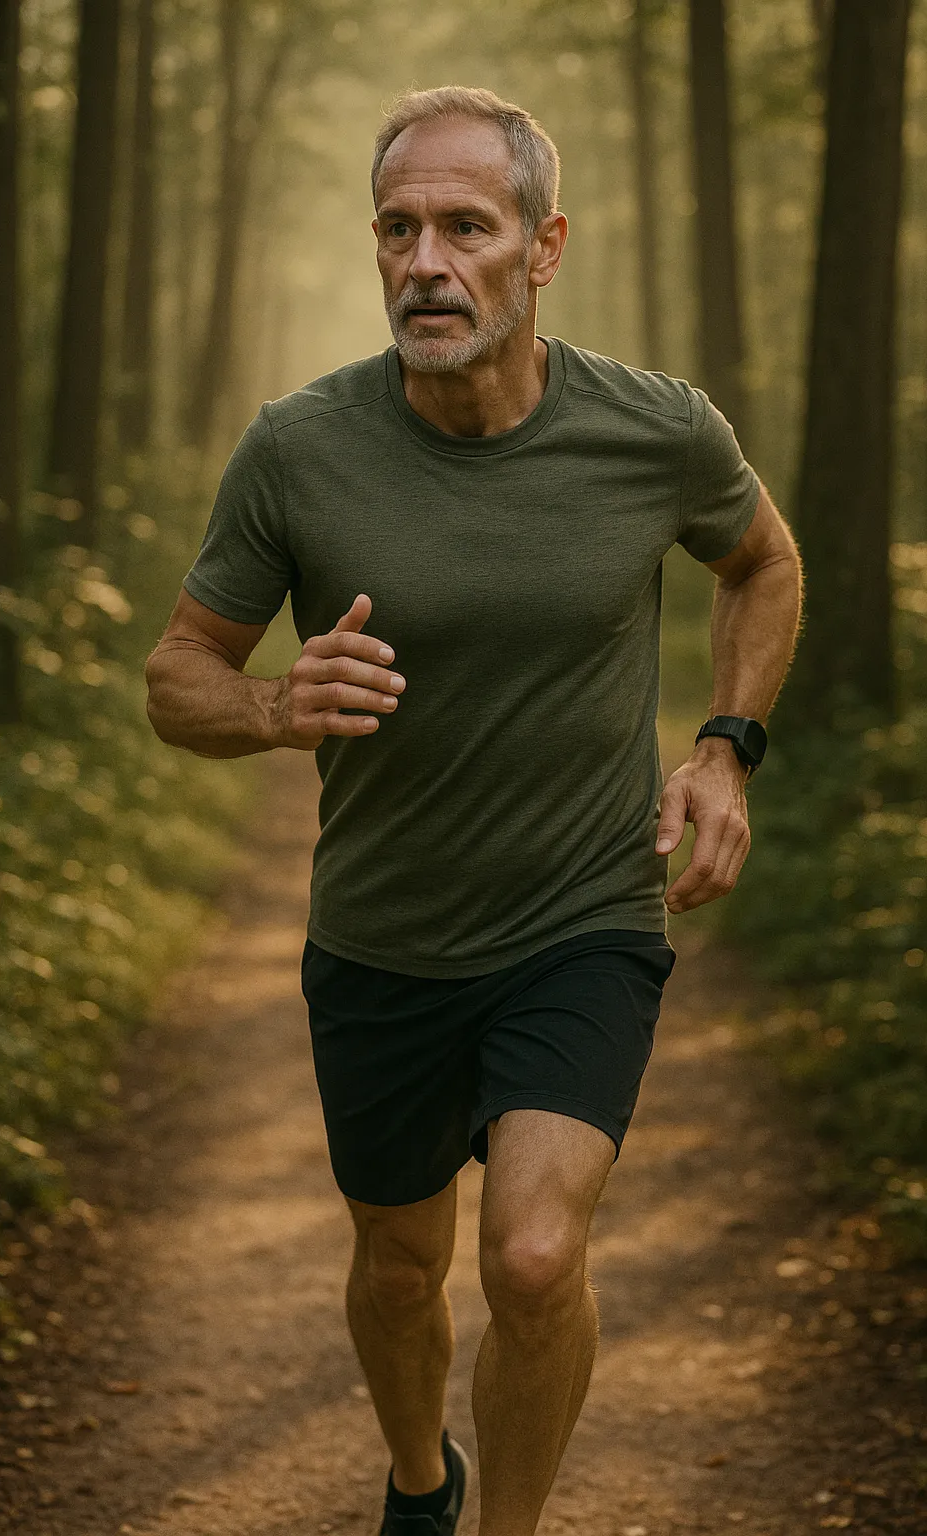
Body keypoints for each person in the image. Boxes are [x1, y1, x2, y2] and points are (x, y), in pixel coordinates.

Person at [145, 85, 803, 1536]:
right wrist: (274, 704)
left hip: (581, 919)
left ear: (542, 245)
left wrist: (725, 747)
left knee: (529, 1258)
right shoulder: (298, 451)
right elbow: (177, 673)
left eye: (465, 226)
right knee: (396, 1268)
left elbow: (764, 563)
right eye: (398, 229)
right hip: (382, 935)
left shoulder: (655, 432)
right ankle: (417, 1482)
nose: (425, 261)